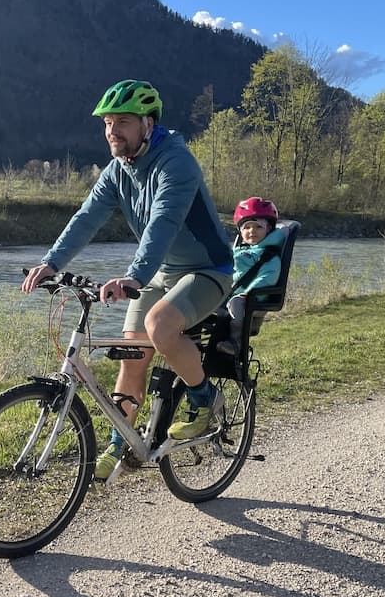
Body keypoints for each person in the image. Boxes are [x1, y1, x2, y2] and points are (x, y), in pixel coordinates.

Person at [21, 79, 234, 481]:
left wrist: (134, 276)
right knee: (131, 355)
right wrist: (51, 262)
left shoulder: (177, 162)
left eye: (122, 122)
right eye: (106, 123)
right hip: (161, 272)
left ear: (148, 125)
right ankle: (121, 445)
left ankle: (205, 399)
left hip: (208, 270)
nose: (112, 131)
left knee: (159, 326)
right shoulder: (119, 169)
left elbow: (163, 224)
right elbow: (86, 218)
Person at [215, 197, 286, 357]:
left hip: (251, 297)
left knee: (236, 302)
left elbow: (268, 276)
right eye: (246, 227)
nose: (252, 231)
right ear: (240, 231)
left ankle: (236, 342)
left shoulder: (268, 255)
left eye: (258, 227)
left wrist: (249, 292)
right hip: (229, 292)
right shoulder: (240, 251)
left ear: (269, 229)